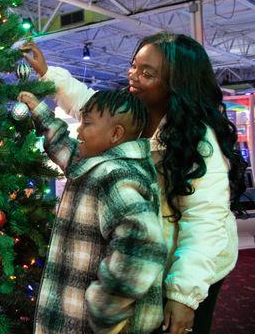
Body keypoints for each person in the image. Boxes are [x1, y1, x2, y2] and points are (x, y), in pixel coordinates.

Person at [21, 33, 245, 334]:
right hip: (146, 267)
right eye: (133, 66)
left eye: (147, 73)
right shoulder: (132, 115)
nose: (133, 76)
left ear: (175, 84)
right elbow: (91, 107)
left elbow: (204, 221)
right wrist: (47, 74)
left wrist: (184, 295)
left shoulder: (196, 139)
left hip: (192, 269)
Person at [18, 89, 167, 334]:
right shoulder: (98, 163)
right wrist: (39, 111)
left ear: (116, 134)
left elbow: (143, 244)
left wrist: (104, 310)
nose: (78, 130)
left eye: (86, 123)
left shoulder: (115, 175)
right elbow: (65, 147)